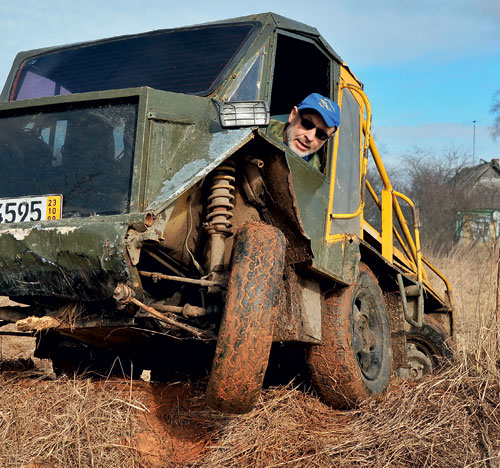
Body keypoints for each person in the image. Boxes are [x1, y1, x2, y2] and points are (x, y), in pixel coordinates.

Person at [268, 93, 340, 170]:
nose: (310, 137)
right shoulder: (261, 129)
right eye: (307, 124)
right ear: (293, 115)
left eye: (321, 134)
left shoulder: (314, 172)